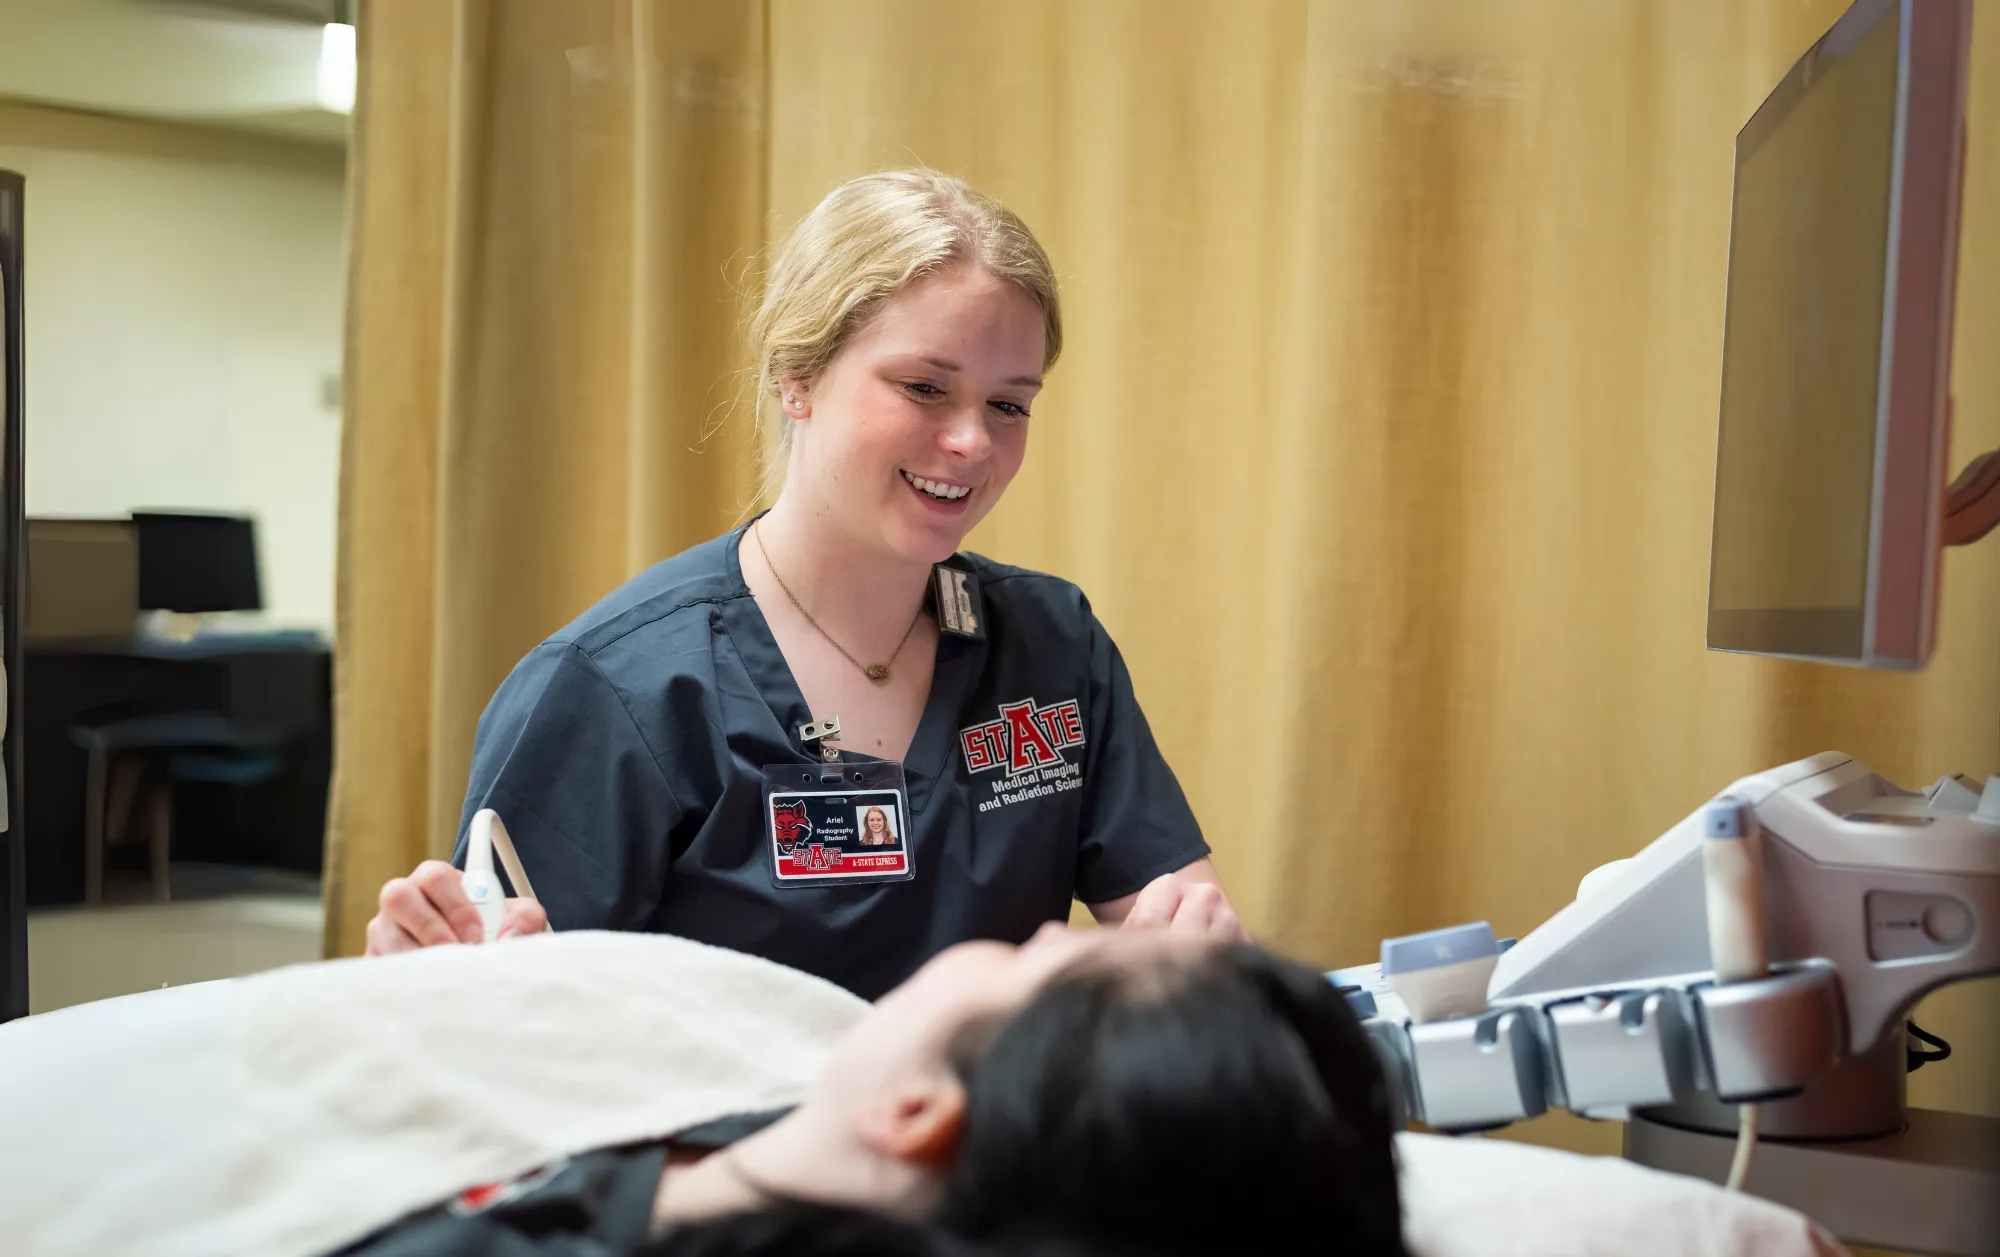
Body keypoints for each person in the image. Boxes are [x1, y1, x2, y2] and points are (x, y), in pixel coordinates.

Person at [366, 169, 1248, 998]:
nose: (974, 442)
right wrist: (431, 982)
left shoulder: (1051, 647)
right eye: (924, 387)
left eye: (1009, 404)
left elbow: (1177, 925)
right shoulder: (617, 690)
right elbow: (495, 1031)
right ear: (798, 378)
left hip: (996, 1153)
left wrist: (1190, 963)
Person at [328, 928, 1407, 1257]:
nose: (1019, 929)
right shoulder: (762, 1132)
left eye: (1036, 951)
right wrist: (476, 994)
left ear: (913, 1113)